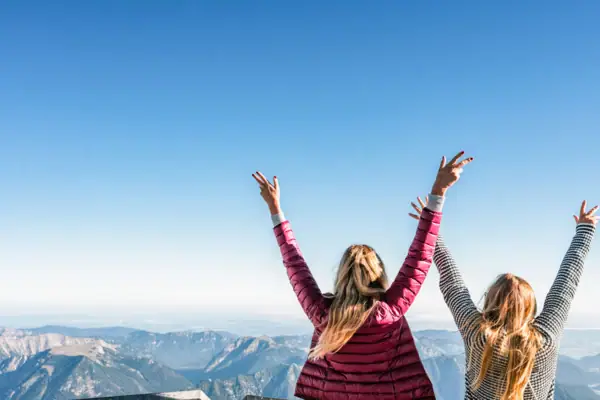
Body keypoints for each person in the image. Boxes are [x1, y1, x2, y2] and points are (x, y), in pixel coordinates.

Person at [252, 151, 474, 400]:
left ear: (342, 275)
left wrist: (275, 210)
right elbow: (419, 258)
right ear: (378, 273)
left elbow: (294, 264)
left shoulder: (322, 314)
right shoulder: (390, 311)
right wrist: (438, 193)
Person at [409, 196, 598, 400]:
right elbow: (565, 286)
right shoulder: (545, 338)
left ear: (490, 302)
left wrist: (430, 227)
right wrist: (585, 231)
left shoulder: (478, 336)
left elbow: (452, 283)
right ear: (529, 307)